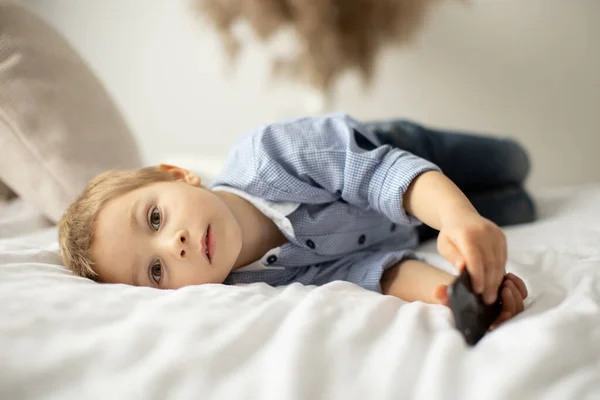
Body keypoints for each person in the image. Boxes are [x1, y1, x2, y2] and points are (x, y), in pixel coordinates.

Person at [59, 113, 534, 325]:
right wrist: (452, 293)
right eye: (157, 272)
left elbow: (382, 174)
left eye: (156, 218)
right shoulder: (258, 284)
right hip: (411, 228)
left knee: (513, 164)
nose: (174, 246)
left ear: (179, 175)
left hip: (402, 161)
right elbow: (371, 273)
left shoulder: (272, 154)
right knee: (521, 208)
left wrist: (457, 218)